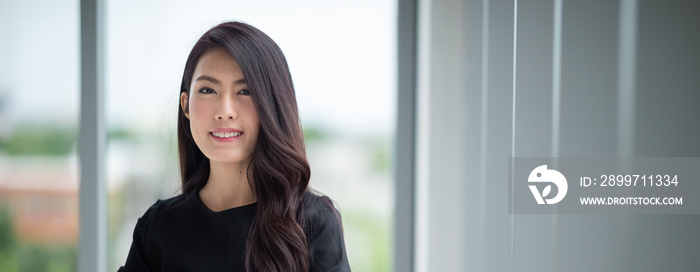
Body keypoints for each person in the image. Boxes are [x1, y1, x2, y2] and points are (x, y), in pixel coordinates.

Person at [118, 21, 351, 272]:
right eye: (208, 90)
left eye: (245, 91)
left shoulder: (312, 223)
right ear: (185, 105)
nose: (225, 111)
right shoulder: (158, 227)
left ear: (272, 104)